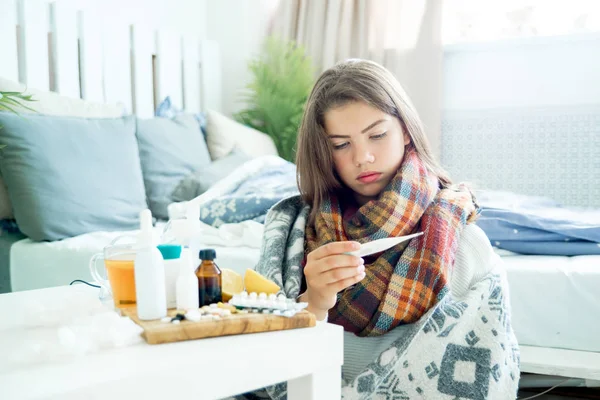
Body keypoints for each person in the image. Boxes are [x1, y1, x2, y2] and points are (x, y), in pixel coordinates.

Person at [249, 59, 519, 399]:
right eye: (341, 144)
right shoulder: (295, 236)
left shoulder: (466, 246)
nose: (363, 157)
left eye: (377, 135)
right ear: (322, 151)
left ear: (405, 130)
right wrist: (313, 302)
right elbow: (272, 370)